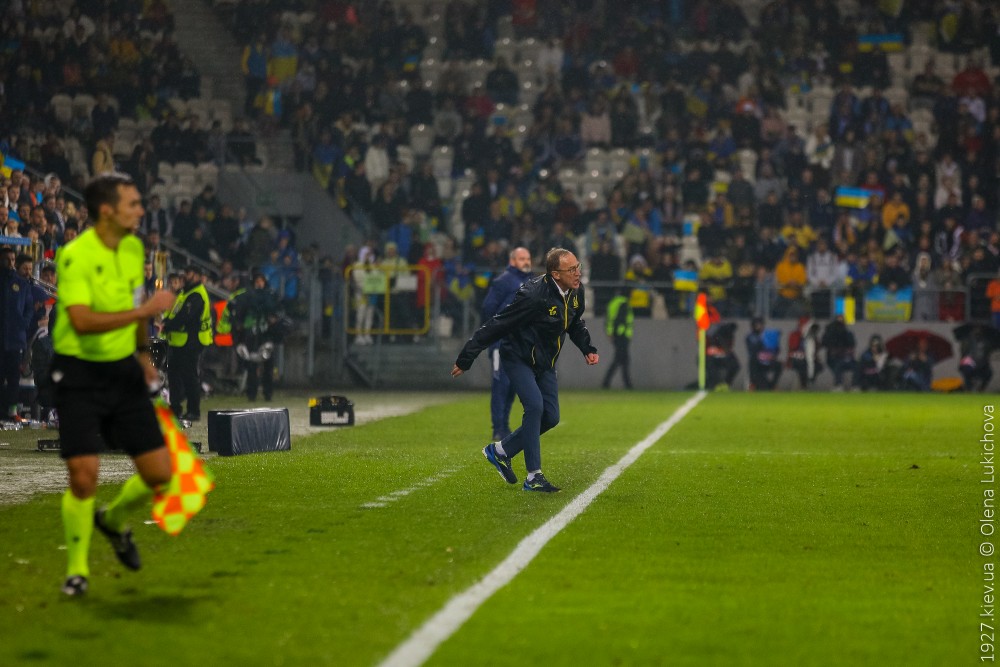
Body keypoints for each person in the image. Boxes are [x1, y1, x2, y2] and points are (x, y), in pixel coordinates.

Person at [51, 173, 177, 596]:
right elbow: (82, 321)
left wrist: (142, 355)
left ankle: (113, 519)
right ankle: (77, 570)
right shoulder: (75, 255)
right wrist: (146, 312)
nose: (141, 210)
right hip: (79, 373)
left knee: (161, 475)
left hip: (123, 371)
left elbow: (135, 305)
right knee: (83, 477)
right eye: (133, 204)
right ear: (107, 211)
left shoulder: (133, 248)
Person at [451, 248, 599, 492]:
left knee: (551, 417)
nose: (578, 273)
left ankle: (501, 451)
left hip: (545, 362)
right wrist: (467, 357)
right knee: (534, 406)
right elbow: (498, 323)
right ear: (555, 274)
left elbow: (574, 322)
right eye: (571, 269)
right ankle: (533, 476)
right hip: (517, 357)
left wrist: (587, 347)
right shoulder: (533, 294)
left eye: (578, 267)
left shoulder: (576, 291)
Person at [480, 247, 533, 441]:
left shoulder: (531, 282)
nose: (526, 262)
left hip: (520, 344)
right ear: (512, 261)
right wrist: (497, 330)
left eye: (528, 258)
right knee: (501, 385)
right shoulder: (503, 281)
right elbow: (488, 308)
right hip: (501, 343)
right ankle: (498, 427)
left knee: (512, 387)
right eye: (522, 258)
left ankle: (504, 425)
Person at [160, 263, 212, 421]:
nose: (185, 275)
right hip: (178, 342)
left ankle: (193, 411)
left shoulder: (197, 294)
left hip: (192, 341)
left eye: (189, 273)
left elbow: (184, 317)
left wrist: (167, 325)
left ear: (196, 276)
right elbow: (174, 313)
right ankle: (175, 408)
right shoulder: (185, 292)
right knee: (174, 376)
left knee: (190, 377)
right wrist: (166, 322)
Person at [231, 270, 283, 401]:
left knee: (268, 366)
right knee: (252, 365)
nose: (259, 284)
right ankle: (252, 393)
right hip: (252, 335)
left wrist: (273, 319)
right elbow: (239, 314)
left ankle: (268, 393)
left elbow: (277, 312)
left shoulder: (270, 296)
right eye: (257, 281)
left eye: (261, 281)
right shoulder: (247, 296)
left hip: (266, 334)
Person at [1, 246, 34, 421]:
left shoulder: (20, 283)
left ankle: (12, 412)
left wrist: (24, 323)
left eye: (13, 259)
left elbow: (29, 308)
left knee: (14, 377)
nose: (11, 263)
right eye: (7, 259)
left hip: (15, 338)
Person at [602, 285, 634, 389]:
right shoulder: (623, 303)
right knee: (620, 359)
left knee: (622, 359)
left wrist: (610, 332)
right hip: (621, 335)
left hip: (616, 334)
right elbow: (620, 320)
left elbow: (608, 319)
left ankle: (626, 384)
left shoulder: (613, 302)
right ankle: (608, 383)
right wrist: (622, 333)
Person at [745, 317, 782, 390]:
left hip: (768, 361)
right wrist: (763, 340)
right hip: (757, 363)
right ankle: (754, 384)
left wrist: (775, 341)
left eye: (761, 324)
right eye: (757, 324)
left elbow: (776, 350)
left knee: (778, 365)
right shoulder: (750, 337)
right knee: (763, 386)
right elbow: (753, 349)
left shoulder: (768, 335)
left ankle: (773, 385)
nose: (759, 326)